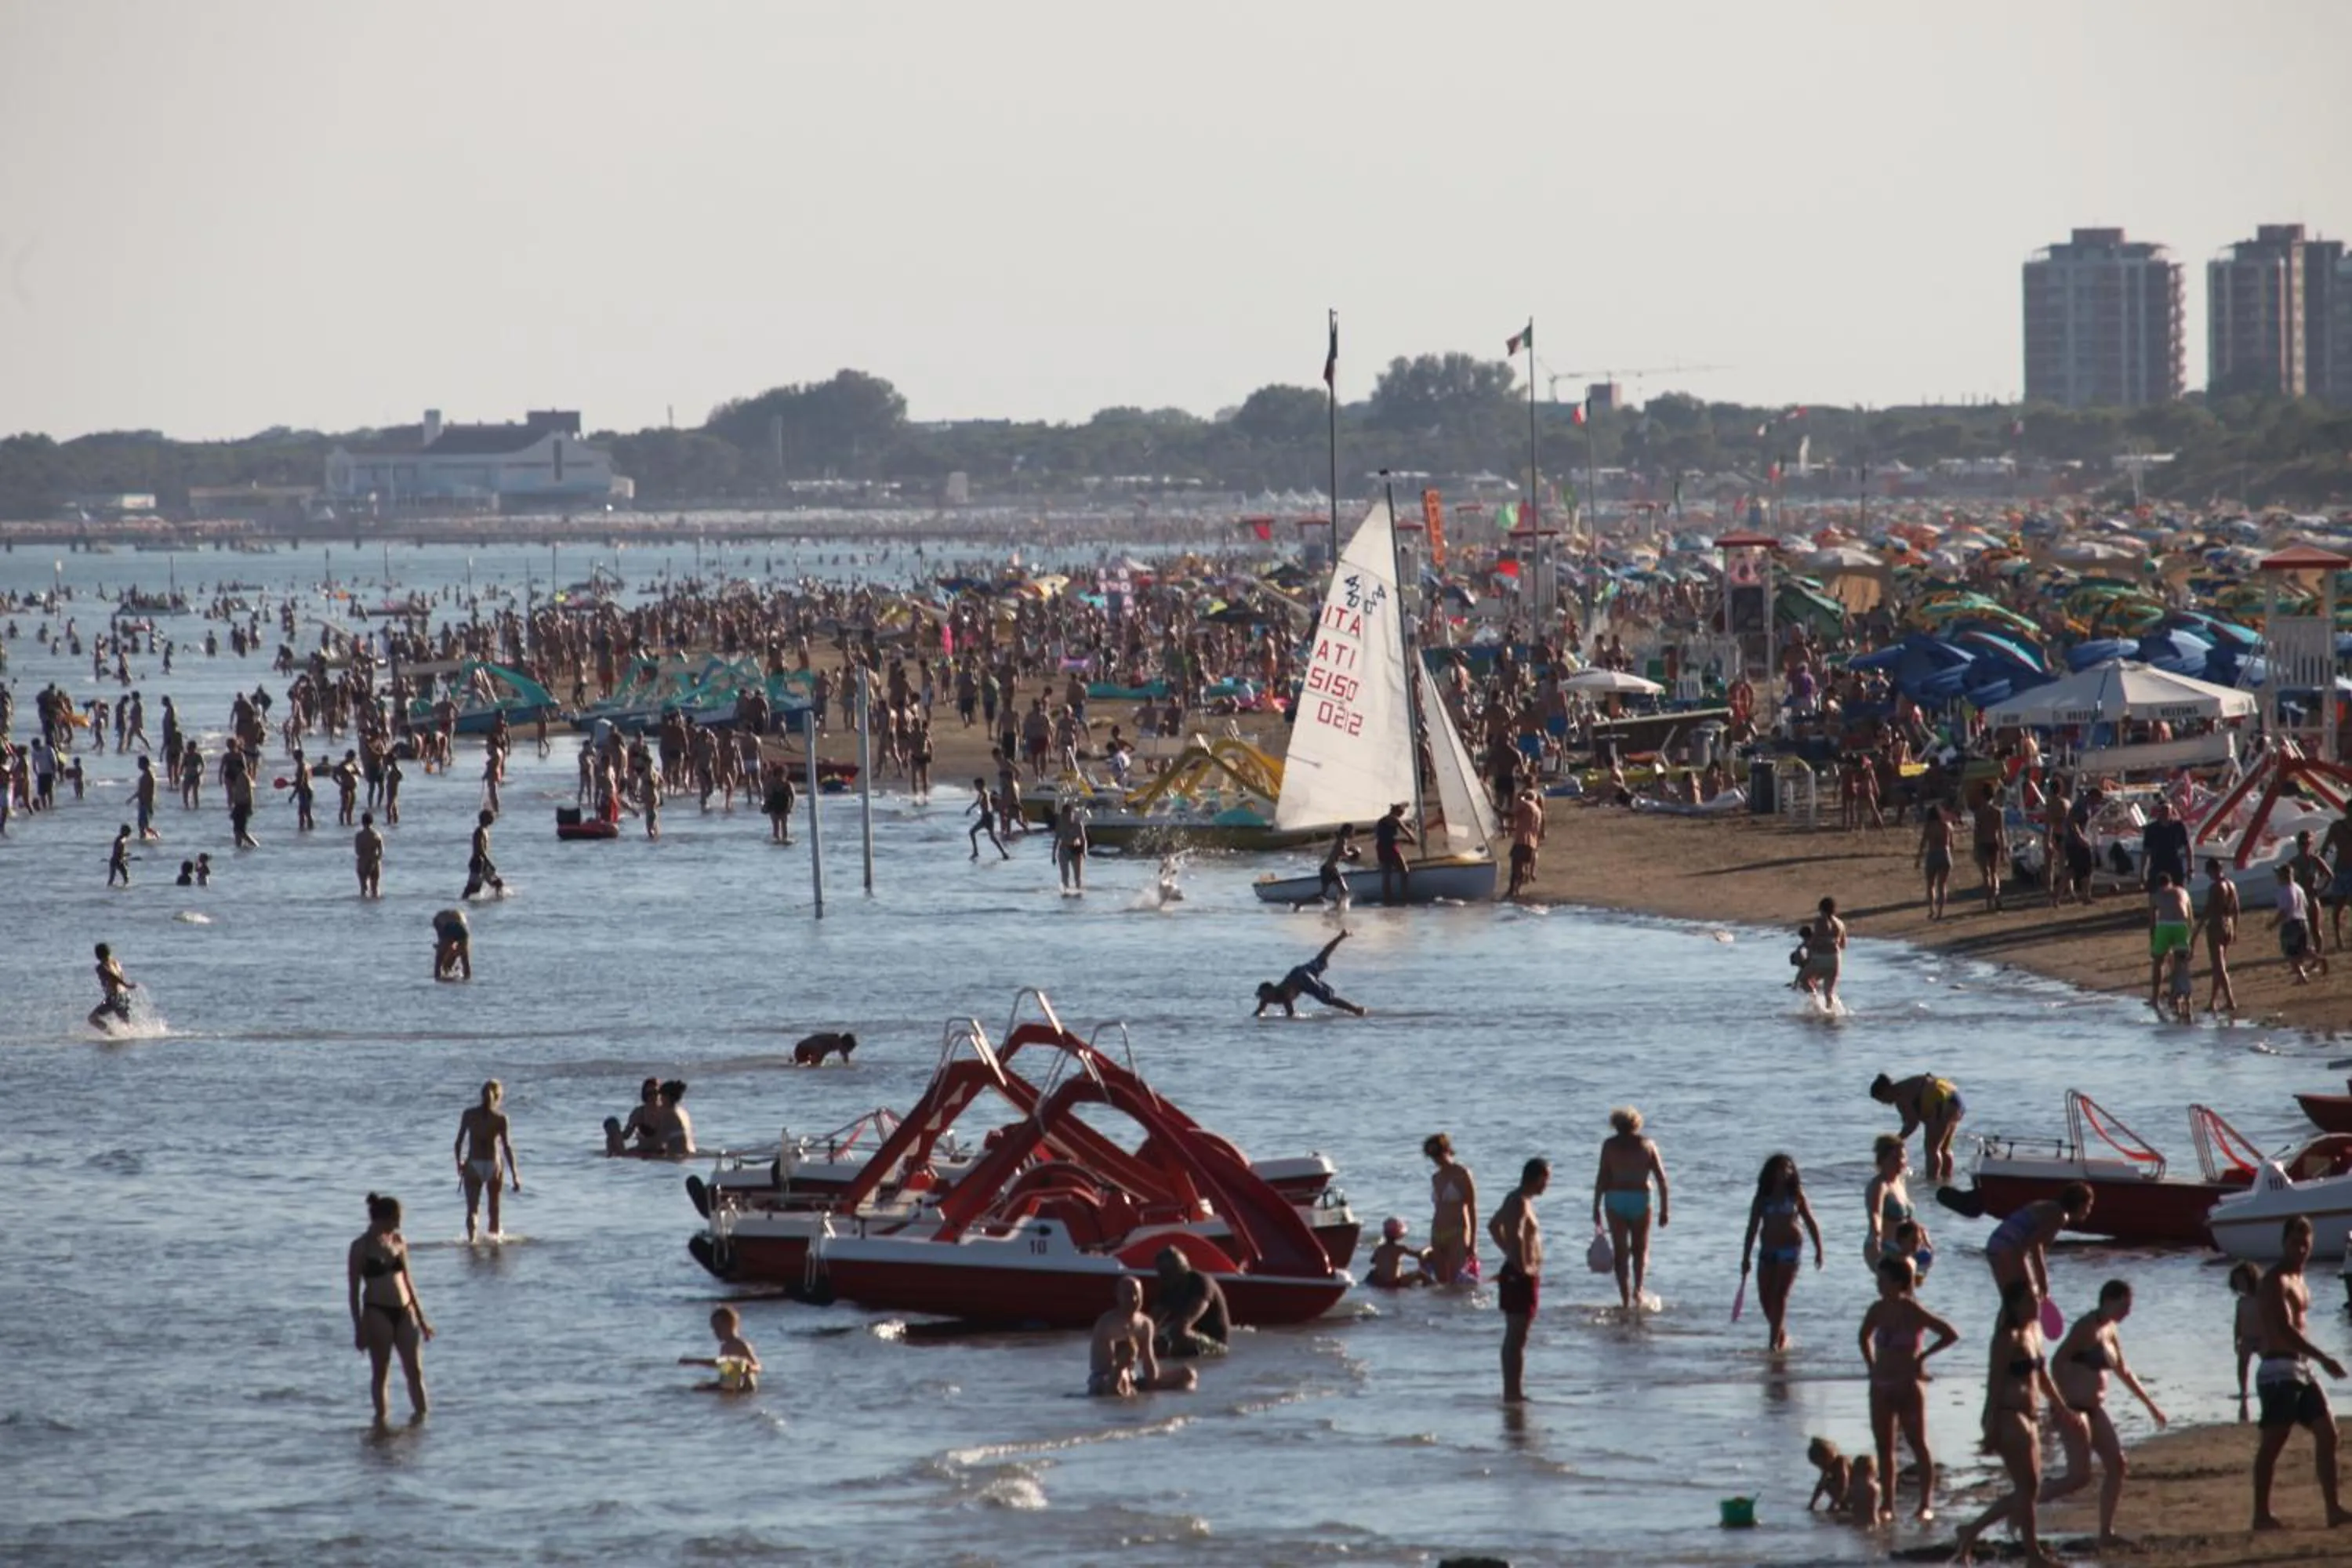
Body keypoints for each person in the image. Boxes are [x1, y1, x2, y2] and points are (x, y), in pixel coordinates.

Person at [1953, 1280, 2089, 1565]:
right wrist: (1989, 1424)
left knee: (2030, 1489)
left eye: (2037, 1300)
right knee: (2027, 1488)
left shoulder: (2035, 1332)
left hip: (2030, 1415)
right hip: (2008, 1414)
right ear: (2013, 1305)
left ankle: (1972, 1533)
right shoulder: (2007, 1337)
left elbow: (2042, 1377)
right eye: (2028, 1301)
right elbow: (1994, 1382)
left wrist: (2062, 1408)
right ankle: (2032, 1554)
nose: (2035, 1306)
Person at [2044, 1280, 2168, 1546]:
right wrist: (2060, 1404)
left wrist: (2151, 1405)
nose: (2128, 1313)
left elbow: (2124, 1370)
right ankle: (2023, 1503)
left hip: (2094, 1409)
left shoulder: (2110, 1330)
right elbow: (2056, 1362)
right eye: (2124, 1306)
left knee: (2117, 1465)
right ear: (2108, 1301)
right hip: (2073, 1409)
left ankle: (2105, 1532)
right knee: (2079, 1477)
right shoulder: (2086, 1327)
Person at [2251, 1214, 2351, 1531]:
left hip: (2301, 1368)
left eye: (2305, 1244)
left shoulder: (2300, 1279)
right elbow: (2284, 1329)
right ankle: (2261, 1514)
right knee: (2273, 1442)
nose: (2301, 1249)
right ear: (2284, 1243)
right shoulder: (2275, 1280)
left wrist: (2314, 1361)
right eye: (2295, 1243)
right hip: (2278, 1370)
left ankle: (2333, 1509)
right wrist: (2323, 1358)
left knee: (2328, 1432)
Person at [1859, 1254, 1960, 1526]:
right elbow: (1863, 1336)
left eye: (1882, 1279)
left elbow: (1950, 1334)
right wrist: (1871, 1365)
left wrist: (1921, 1357)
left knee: (1918, 1444)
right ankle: (1888, 1505)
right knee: (1885, 1447)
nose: (1878, 1283)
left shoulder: (1914, 1311)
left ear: (1897, 1282)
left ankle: (1926, 1504)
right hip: (1880, 1385)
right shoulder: (1877, 1309)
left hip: (1908, 1385)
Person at [347, 1192, 433, 1426]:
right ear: (382, 1218)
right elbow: (353, 1291)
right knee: (381, 1372)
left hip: (405, 1311)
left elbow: (408, 1281)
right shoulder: (360, 1247)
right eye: (395, 1218)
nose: (398, 1223)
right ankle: (381, 1423)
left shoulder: (398, 1241)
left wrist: (422, 1320)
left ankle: (423, 1422)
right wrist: (359, 1327)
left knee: (414, 1371)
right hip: (377, 1311)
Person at [1739, 1152, 1823, 1352]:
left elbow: (1810, 1222)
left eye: (1788, 1169)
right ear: (1771, 1172)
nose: (1784, 1172)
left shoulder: (1796, 1195)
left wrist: (1819, 1249)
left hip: (1790, 1250)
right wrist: (1745, 1258)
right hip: (1767, 1250)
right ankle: (1780, 1333)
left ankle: (1773, 1344)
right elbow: (1751, 1228)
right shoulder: (1762, 1197)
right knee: (1765, 1298)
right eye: (1780, 1169)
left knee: (1780, 1296)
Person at [1593, 1108, 1669, 1311]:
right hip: (1641, 1198)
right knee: (1640, 1249)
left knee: (1621, 1252)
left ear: (1615, 1125)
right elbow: (1662, 1179)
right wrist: (1665, 1209)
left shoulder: (1609, 1145)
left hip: (1615, 1198)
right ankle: (1639, 1289)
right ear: (1637, 1123)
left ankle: (1625, 1298)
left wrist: (1595, 1206)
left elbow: (1602, 1177)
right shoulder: (1648, 1145)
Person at [1488, 1157, 1548, 1403]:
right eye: (1546, 1179)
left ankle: (1512, 1390)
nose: (1547, 1185)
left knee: (1517, 1336)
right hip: (1519, 1275)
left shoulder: (1516, 1199)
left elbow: (1493, 1226)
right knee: (1516, 1336)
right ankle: (1512, 1392)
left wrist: (1510, 1254)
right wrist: (1523, 1265)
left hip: (1515, 1271)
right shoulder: (1520, 1202)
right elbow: (1517, 1235)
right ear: (1538, 1177)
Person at [1985, 1182, 2093, 1303]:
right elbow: (2034, 1245)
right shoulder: (2060, 1216)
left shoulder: (2049, 1206)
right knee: (2027, 1298)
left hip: (1995, 1242)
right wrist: (2043, 1282)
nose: (2089, 1211)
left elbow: (2031, 1245)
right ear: (2079, 1204)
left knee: (2011, 1300)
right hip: (2009, 1245)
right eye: (2089, 1205)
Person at [1088, 1276, 1194, 1396]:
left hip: (1131, 1377)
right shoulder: (1107, 1323)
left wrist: (1155, 1384)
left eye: (1137, 1294)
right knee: (1118, 1382)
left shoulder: (1145, 1323)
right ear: (1118, 1296)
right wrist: (1124, 1374)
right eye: (1128, 1294)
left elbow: (1148, 1361)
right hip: (1105, 1378)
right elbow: (1108, 1366)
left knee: (1188, 1374)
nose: (1133, 1299)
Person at [453, 1080, 521, 1242]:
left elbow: (458, 1143)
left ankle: (472, 1242)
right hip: (493, 1164)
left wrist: (459, 1163)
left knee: (472, 1209)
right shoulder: (500, 1119)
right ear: (498, 1097)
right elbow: (507, 1147)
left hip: (473, 1163)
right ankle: (494, 1244)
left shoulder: (469, 1114)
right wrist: (515, 1175)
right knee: (494, 1209)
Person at [1870, 1071, 1965, 1185]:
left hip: (1943, 1104)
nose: (1884, 1103)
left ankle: (1932, 1184)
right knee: (1944, 1149)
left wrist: (1895, 1141)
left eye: (1881, 1099)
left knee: (1932, 1149)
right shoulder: (1908, 1084)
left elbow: (1912, 1124)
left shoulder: (1900, 1096)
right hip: (1955, 1100)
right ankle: (1947, 1180)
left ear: (1886, 1091)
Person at [1253, 931, 1367, 1018]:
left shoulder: (1282, 994)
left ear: (1271, 990)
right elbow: (1258, 1013)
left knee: (1328, 999)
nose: (1264, 998)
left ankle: (1356, 1010)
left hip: (1302, 979)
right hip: (1297, 972)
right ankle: (1341, 936)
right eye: (1262, 996)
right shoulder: (1265, 999)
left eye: (1265, 995)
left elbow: (1291, 1015)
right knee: (1322, 957)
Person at [1151, 1246, 1229, 1359]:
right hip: (1185, 1336)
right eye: (1161, 1273)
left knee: (1177, 1333)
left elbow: (1184, 1324)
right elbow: (1150, 1322)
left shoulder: (1201, 1283)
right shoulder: (1168, 1287)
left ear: (1181, 1269)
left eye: (1167, 1273)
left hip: (1215, 1345)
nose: (1162, 1278)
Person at [1425, 1133, 1479, 1285]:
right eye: (1432, 1156)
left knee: (1458, 1281)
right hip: (1437, 1231)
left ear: (1447, 1150)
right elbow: (1438, 1208)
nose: (1436, 1159)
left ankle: (1460, 1309)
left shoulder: (1462, 1173)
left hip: (1458, 1231)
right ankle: (1442, 1310)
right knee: (1441, 1283)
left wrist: (1473, 1241)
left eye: (1438, 1154)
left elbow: (1472, 1207)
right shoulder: (1436, 1177)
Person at [677, 1305, 761, 1393]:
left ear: (730, 1325)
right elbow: (722, 1366)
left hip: (744, 1387)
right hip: (730, 1384)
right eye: (714, 1329)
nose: (715, 1332)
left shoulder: (740, 1344)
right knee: (698, 1388)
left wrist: (750, 1368)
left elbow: (758, 1367)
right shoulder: (724, 1347)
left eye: (718, 1328)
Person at [2148, 869, 2194, 1014]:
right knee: (2181, 961)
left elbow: (2152, 920)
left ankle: (2155, 998)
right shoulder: (2182, 892)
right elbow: (2190, 916)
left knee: (2158, 962)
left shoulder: (2156, 895)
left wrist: (2153, 939)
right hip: (2181, 925)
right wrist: (2190, 936)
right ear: (2171, 882)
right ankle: (2182, 997)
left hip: (2164, 925)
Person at [2204, 856, 2241, 1014]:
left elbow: (2208, 910)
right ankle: (2212, 1001)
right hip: (2228, 924)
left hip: (2216, 925)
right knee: (2218, 966)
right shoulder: (2231, 885)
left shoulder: (2215, 887)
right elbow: (2236, 909)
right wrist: (2235, 929)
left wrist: (2196, 930)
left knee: (2219, 966)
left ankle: (2230, 1000)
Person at [2276, 864, 2318, 984]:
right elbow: (2305, 905)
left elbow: (2284, 911)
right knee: (2302, 950)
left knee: (2291, 953)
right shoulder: (2298, 888)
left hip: (2291, 923)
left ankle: (2302, 976)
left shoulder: (2285, 890)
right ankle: (2319, 958)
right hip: (2302, 921)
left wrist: (2273, 923)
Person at [2232, 1260, 2264, 1417]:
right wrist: (2236, 1339)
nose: (2240, 1285)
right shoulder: (2241, 1302)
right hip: (2247, 1338)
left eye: (2242, 1281)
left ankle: (2270, 1386)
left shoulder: (2262, 1298)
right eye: (2237, 1282)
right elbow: (2237, 1323)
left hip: (2263, 1337)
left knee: (2268, 1364)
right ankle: (2243, 1391)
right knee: (2242, 1365)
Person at [1970, 783, 2006, 912]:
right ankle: (1996, 895)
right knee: (1994, 872)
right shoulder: (1998, 812)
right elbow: (2001, 833)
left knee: (1986, 875)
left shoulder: (1979, 813)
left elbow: (1977, 832)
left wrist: (1974, 848)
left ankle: (1989, 900)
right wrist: (2003, 850)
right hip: (1994, 843)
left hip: (1982, 843)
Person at [604, 1076, 665, 1154]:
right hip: (642, 1150)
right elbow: (626, 1135)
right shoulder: (639, 1112)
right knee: (612, 1129)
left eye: (655, 1093)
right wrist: (614, 1133)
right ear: (644, 1095)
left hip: (661, 1152)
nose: (652, 1096)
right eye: (649, 1094)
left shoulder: (666, 1112)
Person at [1916, 802, 1955, 920]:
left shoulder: (1929, 826)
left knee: (1930, 884)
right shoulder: (1947, 825)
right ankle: (1940, 912)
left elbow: (1923, 843)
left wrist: (1918, 858)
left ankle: (1931, 909)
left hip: (1932, 854)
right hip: (1945, 853)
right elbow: (1952, 844)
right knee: (1942, 884)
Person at [1367, 1217, 1431, 1287]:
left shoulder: (1379, 1248)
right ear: (1400, 1235)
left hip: (1381, 1282)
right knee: (1420, 1274)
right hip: (1395, 1282)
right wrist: (1428, 1248)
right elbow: (1419, 1255)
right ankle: (1433, 1288)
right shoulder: (1400, 1248)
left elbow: (1372, 1261)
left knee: (1373, 1272)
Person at [1505, 787, 1545, 898]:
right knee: (1523, 866)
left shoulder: (1526, 805)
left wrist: (1498, 811)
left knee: (1516, 867)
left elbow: (1512, 813)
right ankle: (1518, 890)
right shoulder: (1538, 811)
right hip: (1532, 843)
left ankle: (1512, 891)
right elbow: (1527, 825)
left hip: (1522, 840)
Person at [1373, 801, 1415, 906]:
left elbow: (1387, 837)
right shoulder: (1394, 819)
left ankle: (1388, 900)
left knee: (1387, 874)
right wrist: (1412, 839)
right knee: (1404, 870)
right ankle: (1405, 898)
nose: (1403, 815)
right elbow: (1406, 831)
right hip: (1389, 848)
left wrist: (1404, 841)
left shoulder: (1383, 820)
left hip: (1381, 847)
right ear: (1397, 812)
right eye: (1402, 813)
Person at [88, 942, 136, 1030]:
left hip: (114, 997)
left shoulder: (101, 967)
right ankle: (130, 1038)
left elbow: (111, 975)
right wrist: (125, 986)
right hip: (124, 995)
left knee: (92, 1018)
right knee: (126, 1022)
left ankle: (111, 1035)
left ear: (97, 955)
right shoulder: (116, 962)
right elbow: (120, 975)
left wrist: (126, 984)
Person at [461, 808, 505, 899]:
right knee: (473, 889)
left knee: (498, 883)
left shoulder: (485, 830)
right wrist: (489, 863)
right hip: (478, 863)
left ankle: (496, 900)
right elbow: (480, 849)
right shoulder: (479, 831)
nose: (493, 818)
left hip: (483, 863)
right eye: (491, 817)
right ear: (485, 819)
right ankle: (462, 901)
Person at [1316, 823, 1360, 905]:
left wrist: (1351, 853)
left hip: (1329, 869)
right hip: (1330, 869)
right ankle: (1337, 907)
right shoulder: (1343, 840)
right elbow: (1343, 853)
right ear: (1348, 831)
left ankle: (1337, 906)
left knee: (1340, 891)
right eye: (1352, 832)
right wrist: (1353, 852)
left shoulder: (1342, 840)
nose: (1353, 834)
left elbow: (1340, 854)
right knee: (1342, 891)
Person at [1806, 1436, 1853, 1513]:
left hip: (1855, 1489)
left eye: (1822, 1464)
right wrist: (1812, 1504)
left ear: (1829, 1456)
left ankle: (1844, 1503)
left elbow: (1844, 1484)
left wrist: (1834, 1504)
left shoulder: (1841, 1461)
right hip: (1845, 1491)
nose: (1822, 1468)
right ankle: (1843, 1504)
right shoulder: (1828, 1466)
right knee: (1825, 1482)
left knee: (1831, 1483)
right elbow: (1820, 1485)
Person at [1053, 799, 1089, 893]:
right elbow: (1056, 840)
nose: (1067, 817)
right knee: (1065, 875)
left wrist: (1084, 852)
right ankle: (1065, 893)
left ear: (1072, 814)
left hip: (1076, 850)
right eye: (1065, 815)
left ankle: (1078, 892)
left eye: (1069, 815)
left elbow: (1083, 839)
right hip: (1063, 850)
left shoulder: (1078, 825)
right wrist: (1053, 855)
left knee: (1077, 877)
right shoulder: (1060, 825)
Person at [966, 776, 1007, 860]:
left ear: (982, 785)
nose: (976, 788)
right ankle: (1004, 853)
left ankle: (976, 852)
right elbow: (977, 802)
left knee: (972, 832)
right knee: (992, 837)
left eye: (977, 786)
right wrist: (970, 809)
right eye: (975, 786)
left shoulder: (984, 793)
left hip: (987, 817)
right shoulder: (982, 793)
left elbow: (988, 804)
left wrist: (988, 811)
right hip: (987, 817)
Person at [432, 907, 471, 982]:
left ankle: (439, 976)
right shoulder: (459, 914)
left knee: (439, 962)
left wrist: (441, 949)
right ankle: (467, 979)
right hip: (463, 929)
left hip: (449, 927)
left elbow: (442, 939)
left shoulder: (437, 919)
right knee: (465, 960)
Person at [354, 811, 383, 899]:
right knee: (375, 889)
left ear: (362, 822)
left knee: (364, 889)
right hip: (375, 861)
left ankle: (364, 910)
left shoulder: (359, 836)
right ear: (372, 821)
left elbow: (358, 851)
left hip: (363, 862)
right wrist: (375, 860)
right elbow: (381, 851)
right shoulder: (377, 835)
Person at [106, 822, 132, 887]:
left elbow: (118, 850)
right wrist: (123, 855)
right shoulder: (122, 839)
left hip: (115, 860)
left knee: (112, 879)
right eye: (129, 832)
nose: (129, 834)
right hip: (117, 861)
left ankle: (109, 889)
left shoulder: (119, 838)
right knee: (126, 878)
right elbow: (119, 847)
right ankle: (124, 887)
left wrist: (125, 855)